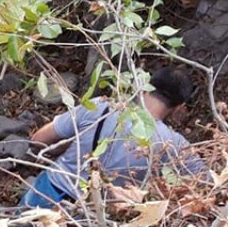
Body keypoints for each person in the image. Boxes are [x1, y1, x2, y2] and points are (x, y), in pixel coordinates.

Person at [20, 67, 207, 209]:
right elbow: (205, 182)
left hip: (44, 195)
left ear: (146, 86)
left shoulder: (101, 107)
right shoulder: (172, 142)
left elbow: (38, 139)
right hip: (88, 217)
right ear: (180, 106)